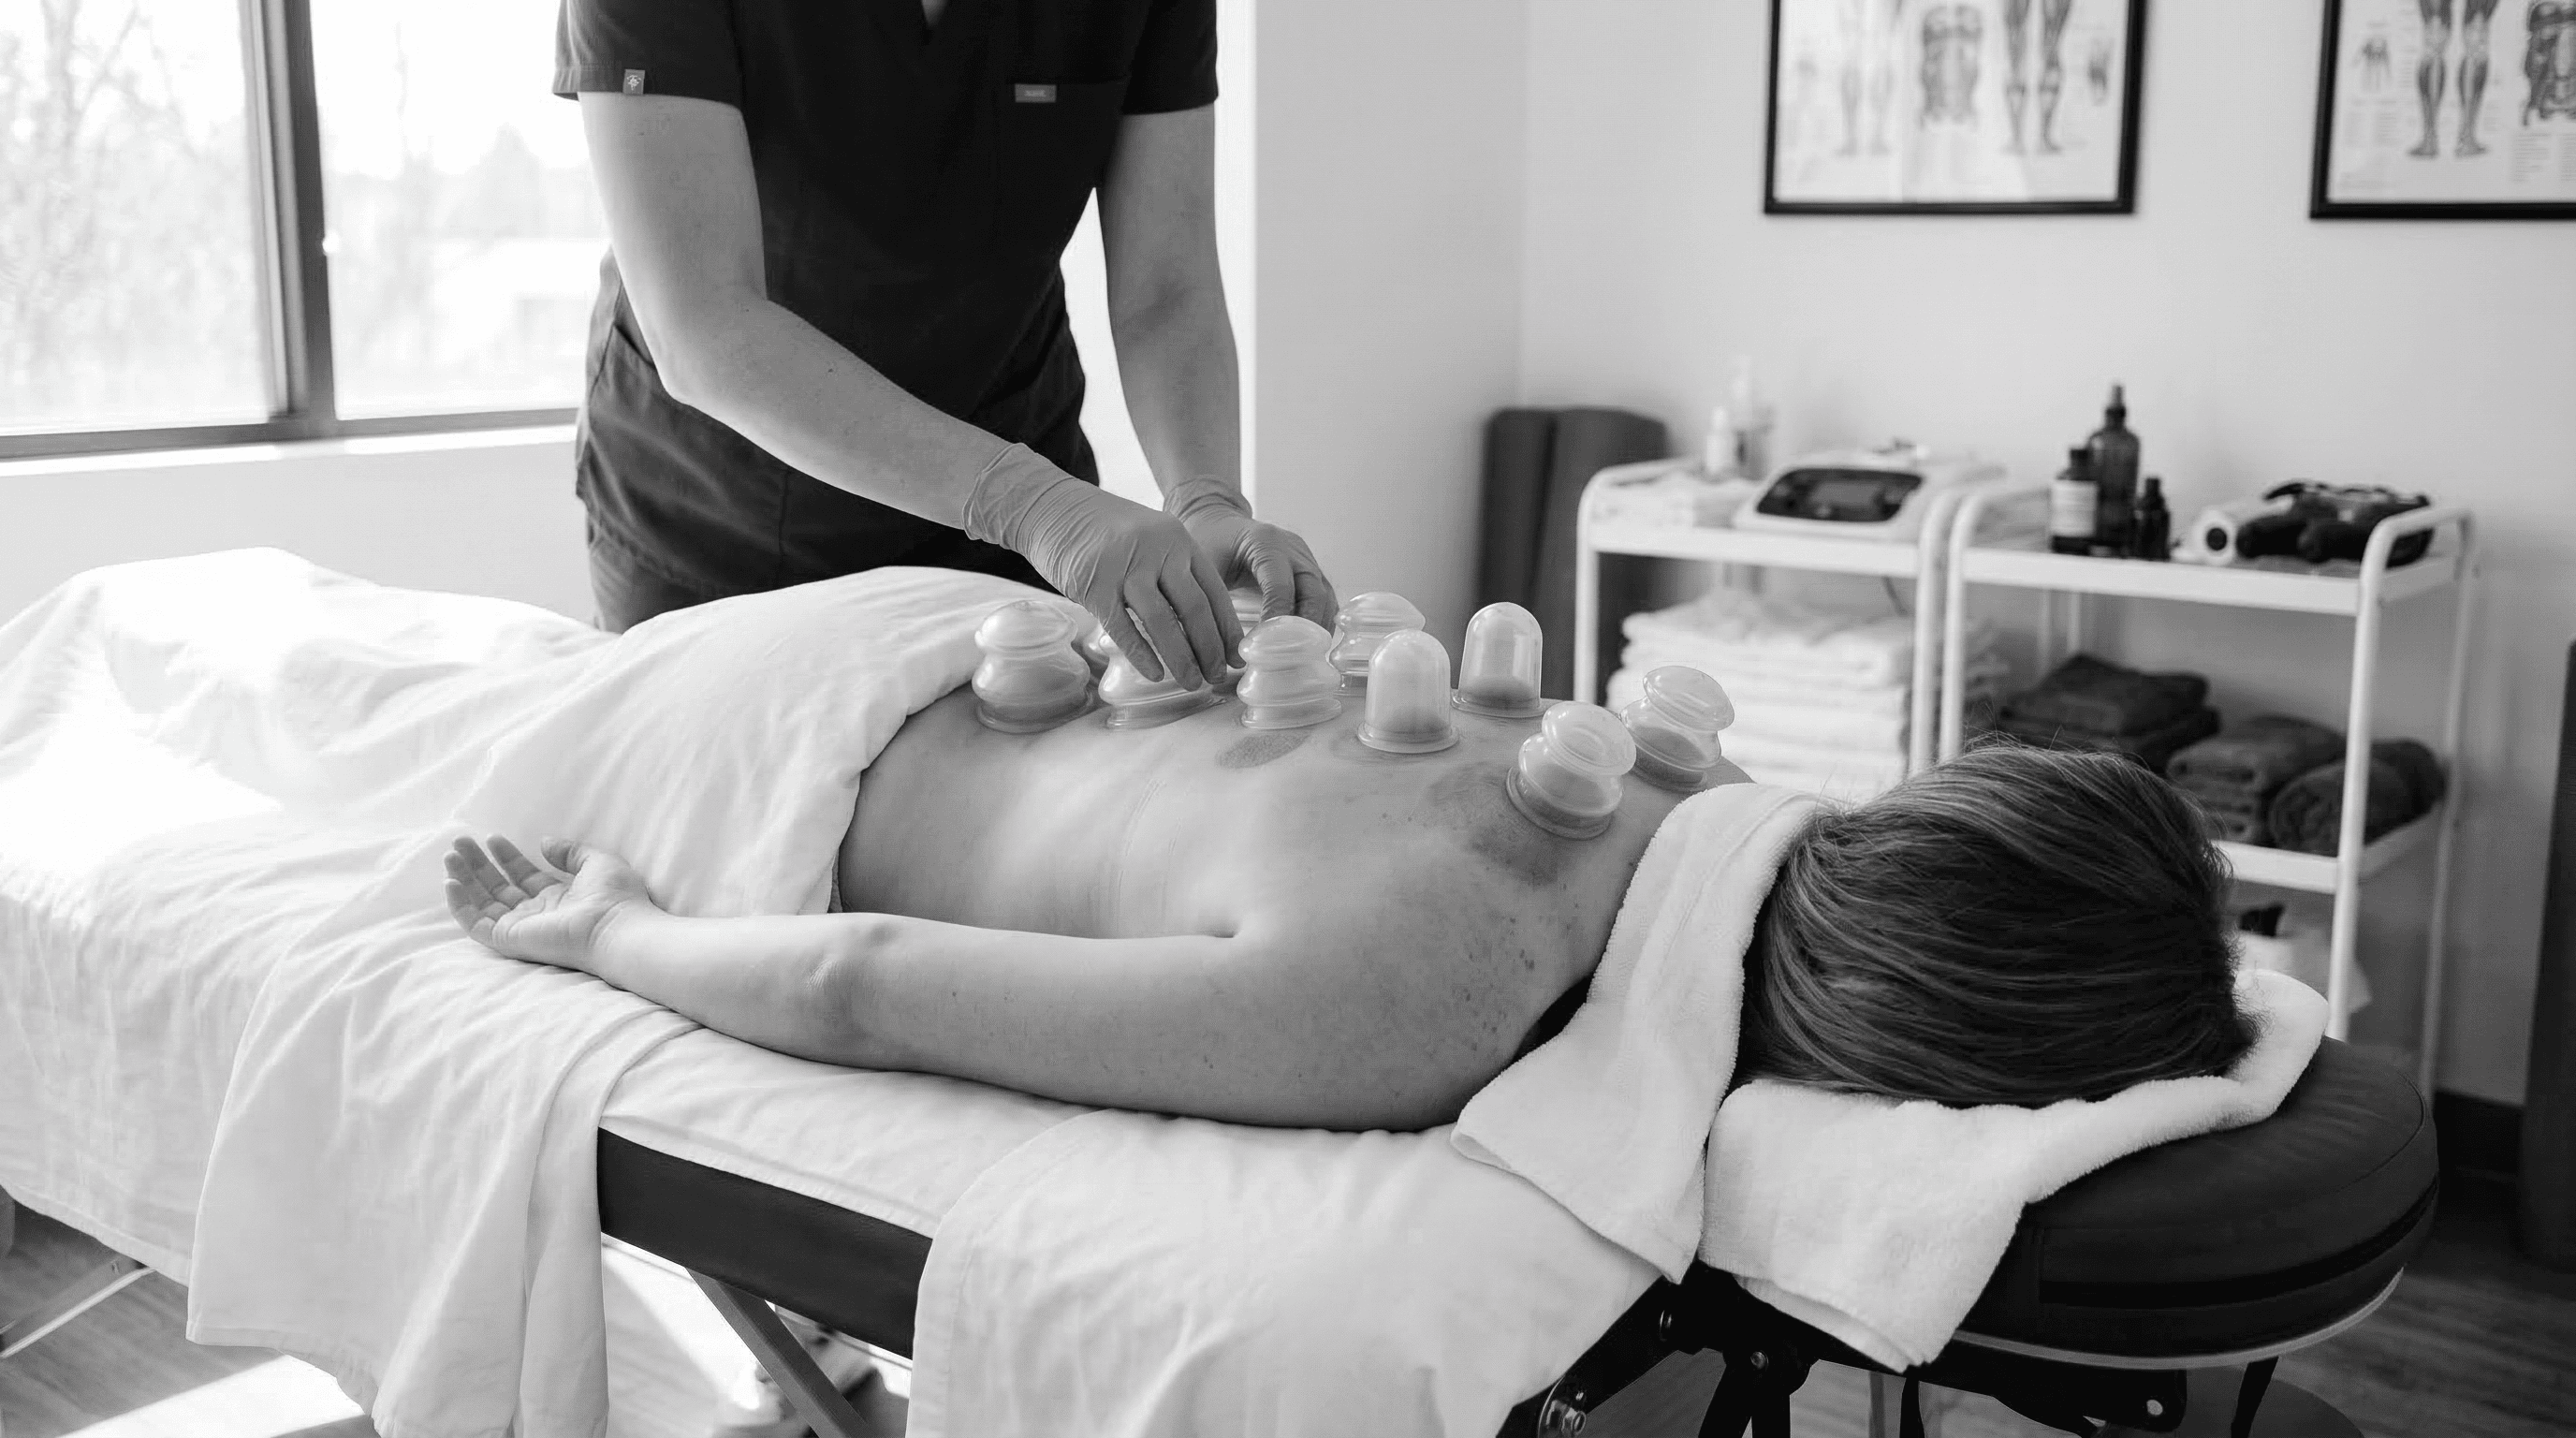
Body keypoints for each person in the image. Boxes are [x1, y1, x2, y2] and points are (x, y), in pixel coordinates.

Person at [446, 702, 2254, 1129]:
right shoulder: (1440, 989)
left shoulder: (1678, 776)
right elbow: (857, 981)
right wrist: (613, 934)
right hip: (754, 763)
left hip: (928, 645)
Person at [554, 0, 1335, 689]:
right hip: (720, 528)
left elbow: (1167, 292)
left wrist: (1205, 498)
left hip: (1006, 540)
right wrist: (1035, 506)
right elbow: (705, 325)